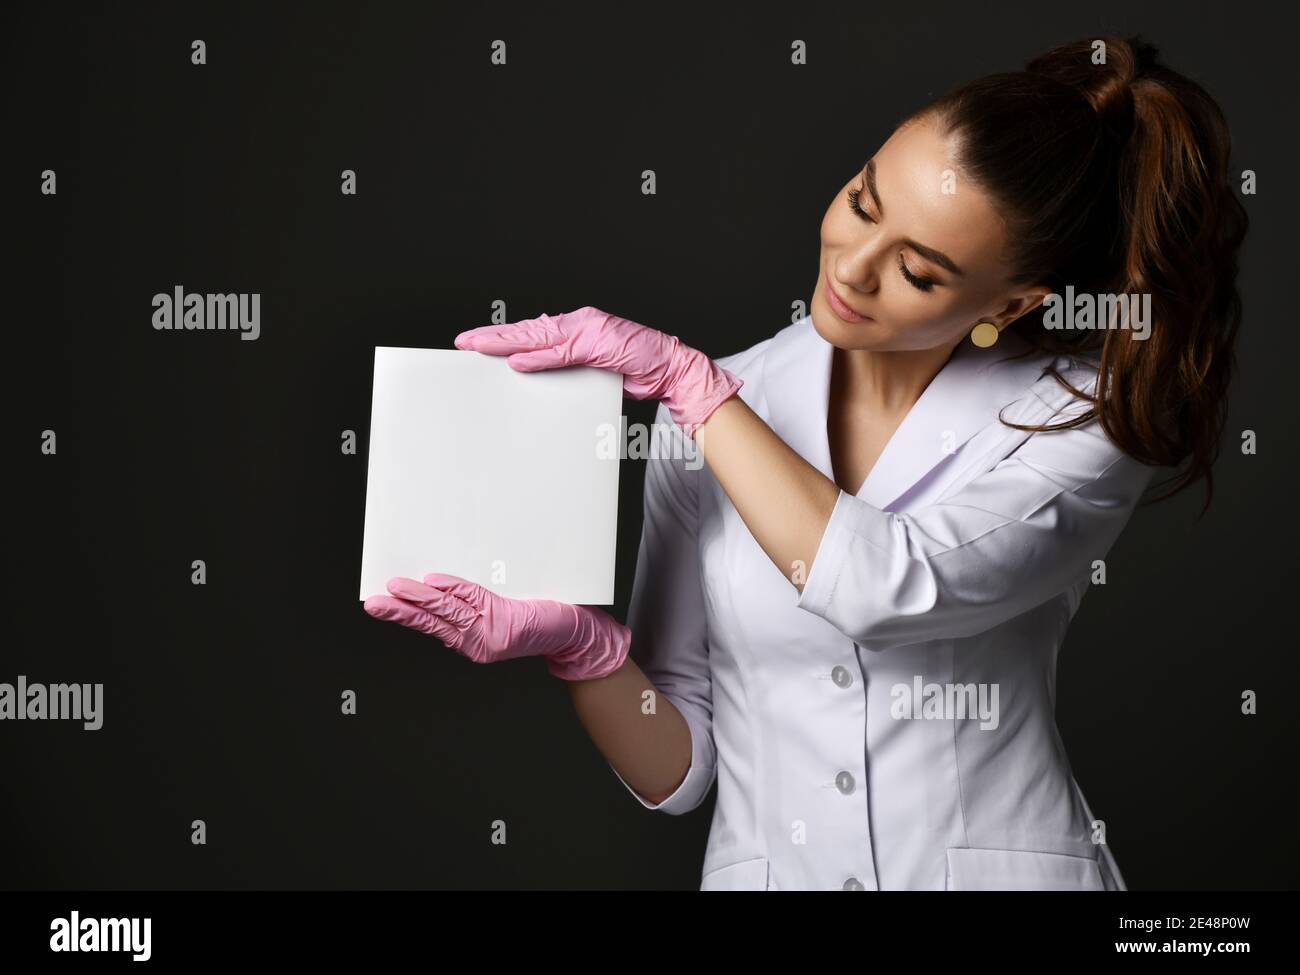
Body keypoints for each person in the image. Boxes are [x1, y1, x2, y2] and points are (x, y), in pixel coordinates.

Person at [363, 34, 1247, 890]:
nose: (853, 269)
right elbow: (680, 770)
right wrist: (585, 653)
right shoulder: (723, 405)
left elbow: (885, 585)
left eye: (919, 271)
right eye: (864, 201)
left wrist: (688, 386)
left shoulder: (1079, 420)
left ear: (1011, 302)